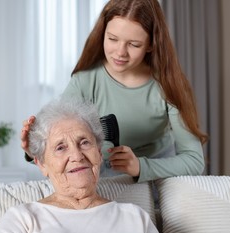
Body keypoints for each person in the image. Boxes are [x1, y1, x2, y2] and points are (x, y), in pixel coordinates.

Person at [21, 0, 208, 183]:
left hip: (157, 177)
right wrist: (34, 150)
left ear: (151, 44)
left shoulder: (169, 85)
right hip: (104, 180)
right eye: (112, 39)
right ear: (102, 34)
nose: (120, 52)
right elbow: (58, 141)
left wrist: (141, 167)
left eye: (134, 44)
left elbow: (194, 160)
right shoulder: (85, 81)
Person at [0, 98, 173, 233]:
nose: (77, 155)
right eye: (60, 147)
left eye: (84, 142)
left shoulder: (135, 217)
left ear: (99, 154)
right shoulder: (23, 218)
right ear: (41, 164)